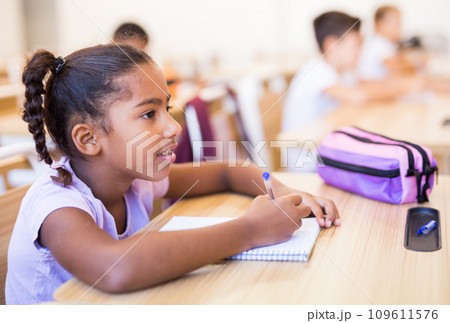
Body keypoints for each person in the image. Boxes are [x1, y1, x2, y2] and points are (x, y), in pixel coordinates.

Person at [5, 44, 340, 304]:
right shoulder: (58, 205)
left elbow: (226, 171)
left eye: (167, 107)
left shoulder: (133, 178)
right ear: (89, 139)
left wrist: (279, 191)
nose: (173, 126)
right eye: (149, 114)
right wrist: (250, 230)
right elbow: (116, 269)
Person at [282, 11, 425, 133]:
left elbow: (365, 85)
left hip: (325, 145)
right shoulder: (315, 70)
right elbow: (358, 95)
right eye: (356, 44)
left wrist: (402, 84)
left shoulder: (343, 72)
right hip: (307, 157)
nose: (360, 51)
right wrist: (405, 88)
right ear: (332, 44)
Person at [358, 6, 419, 80]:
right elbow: (396, 68)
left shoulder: (382, 42)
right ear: (380, 23)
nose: (399, 27)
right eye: (396, 23)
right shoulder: (379, 43)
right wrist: (418, 64)